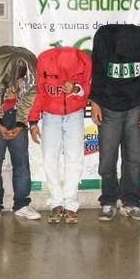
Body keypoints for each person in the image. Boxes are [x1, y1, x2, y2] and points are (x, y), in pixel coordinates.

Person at [90, 24, 140, 221]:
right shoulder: (104, 39)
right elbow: (98, 72)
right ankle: (109, 201)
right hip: (109, 107)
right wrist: (95, 101)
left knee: (134, 158)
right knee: (107, 160)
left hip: (135, 106)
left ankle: (131, 202)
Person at [28, 46, 92, 224]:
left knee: (74, 159)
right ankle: (56, 202)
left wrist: (76, 88)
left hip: (75, 114)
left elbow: (87, 88)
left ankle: (70, 204)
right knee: (49, 158)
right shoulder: (45, 60)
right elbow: (40, 92)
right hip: (50, 115)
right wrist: (33, 121)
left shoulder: (85, 60)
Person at [0, 45, 40, 223]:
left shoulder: (31, 67)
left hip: (16, 114)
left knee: (21, 162)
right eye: (16, 78)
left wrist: (20, 123)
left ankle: (22, 204)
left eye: (21, 79)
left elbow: (30, 95)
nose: (18, 83)